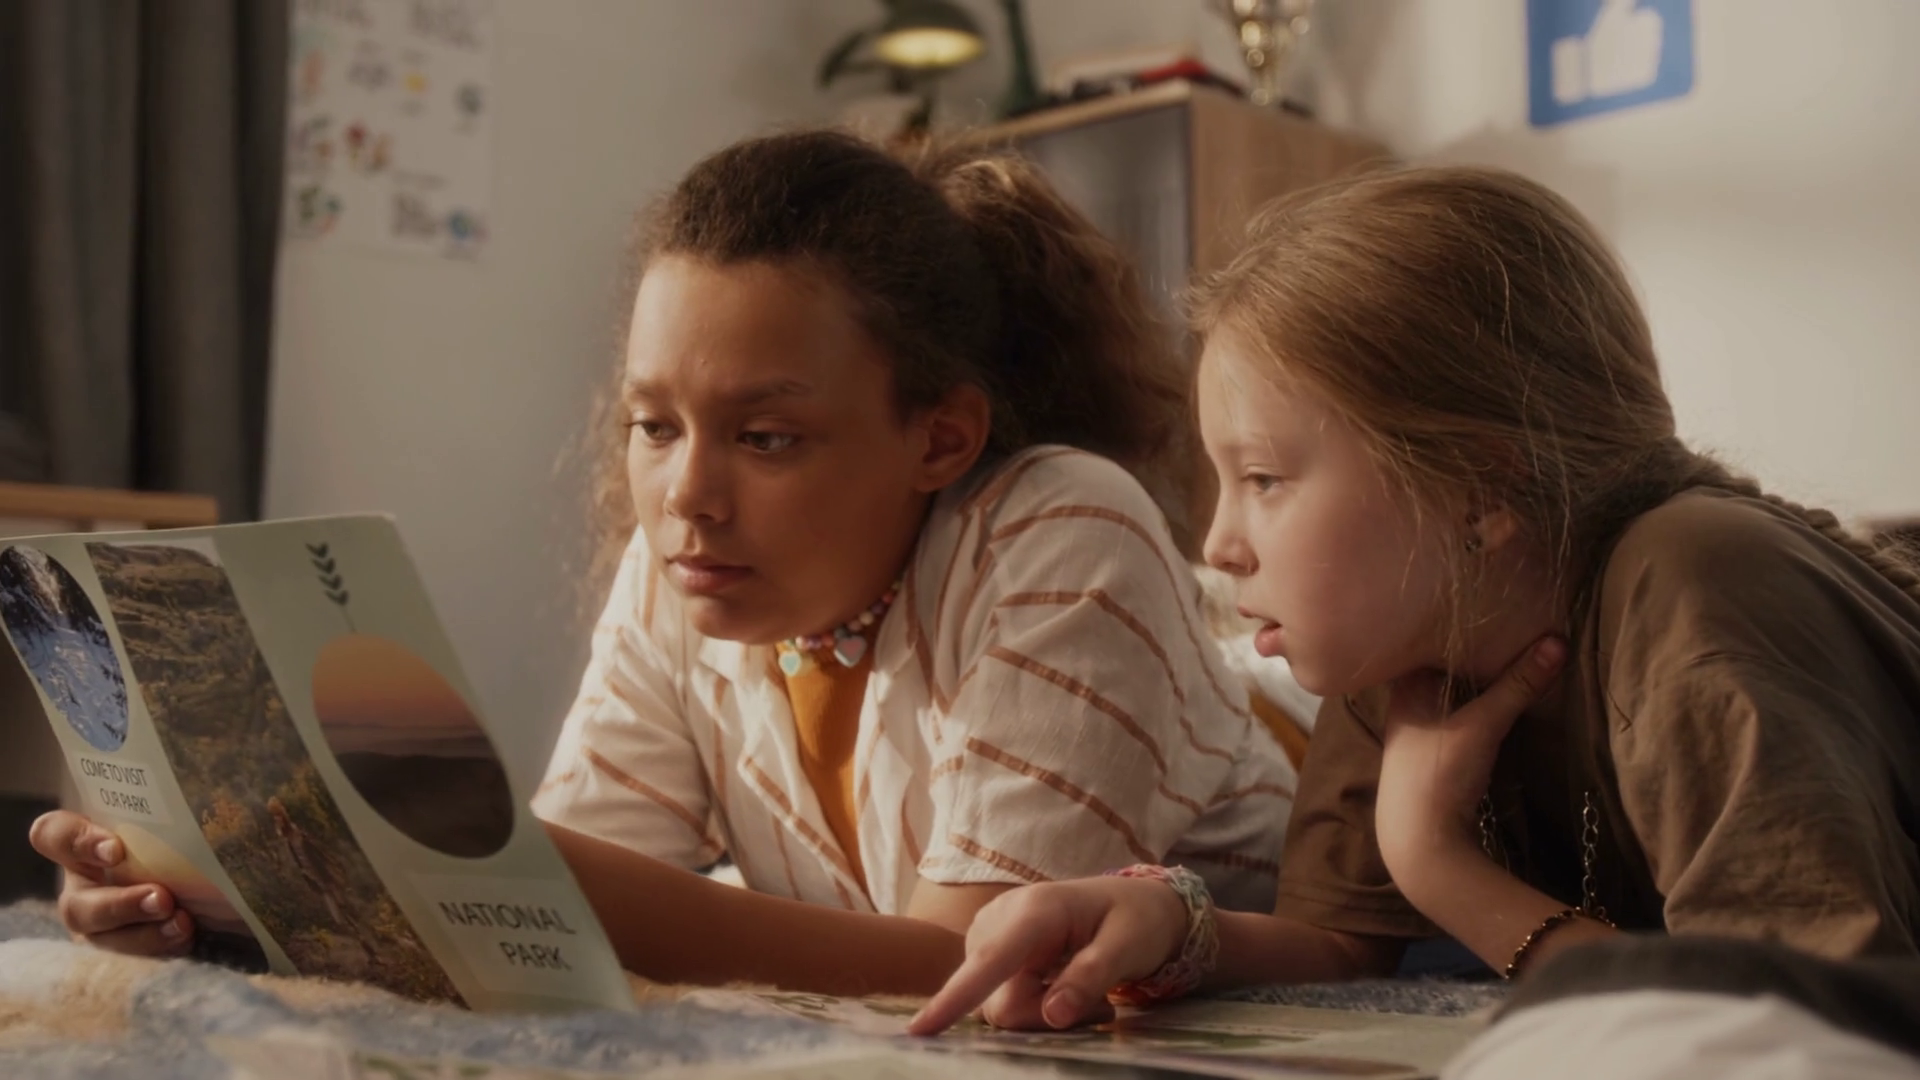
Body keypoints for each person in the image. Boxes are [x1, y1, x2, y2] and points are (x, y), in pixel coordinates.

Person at [30, 130, 1294, 995]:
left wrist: (511, 868)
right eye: (653, 426)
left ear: (940, 437)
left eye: (768, 437)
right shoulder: (679, 570)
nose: (686, 495)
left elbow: (965, 962)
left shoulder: (1062, 527)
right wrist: (215, 900)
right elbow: (543, 923)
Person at [910, 165, 1920, 1034]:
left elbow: (1792, 1026)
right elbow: (1343, 945)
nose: (1217, 545)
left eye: (1263, 478)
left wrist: (1436, 864)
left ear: (1479, 492)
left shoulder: (1693, 585)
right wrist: (1171, 925)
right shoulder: (1408, 631)